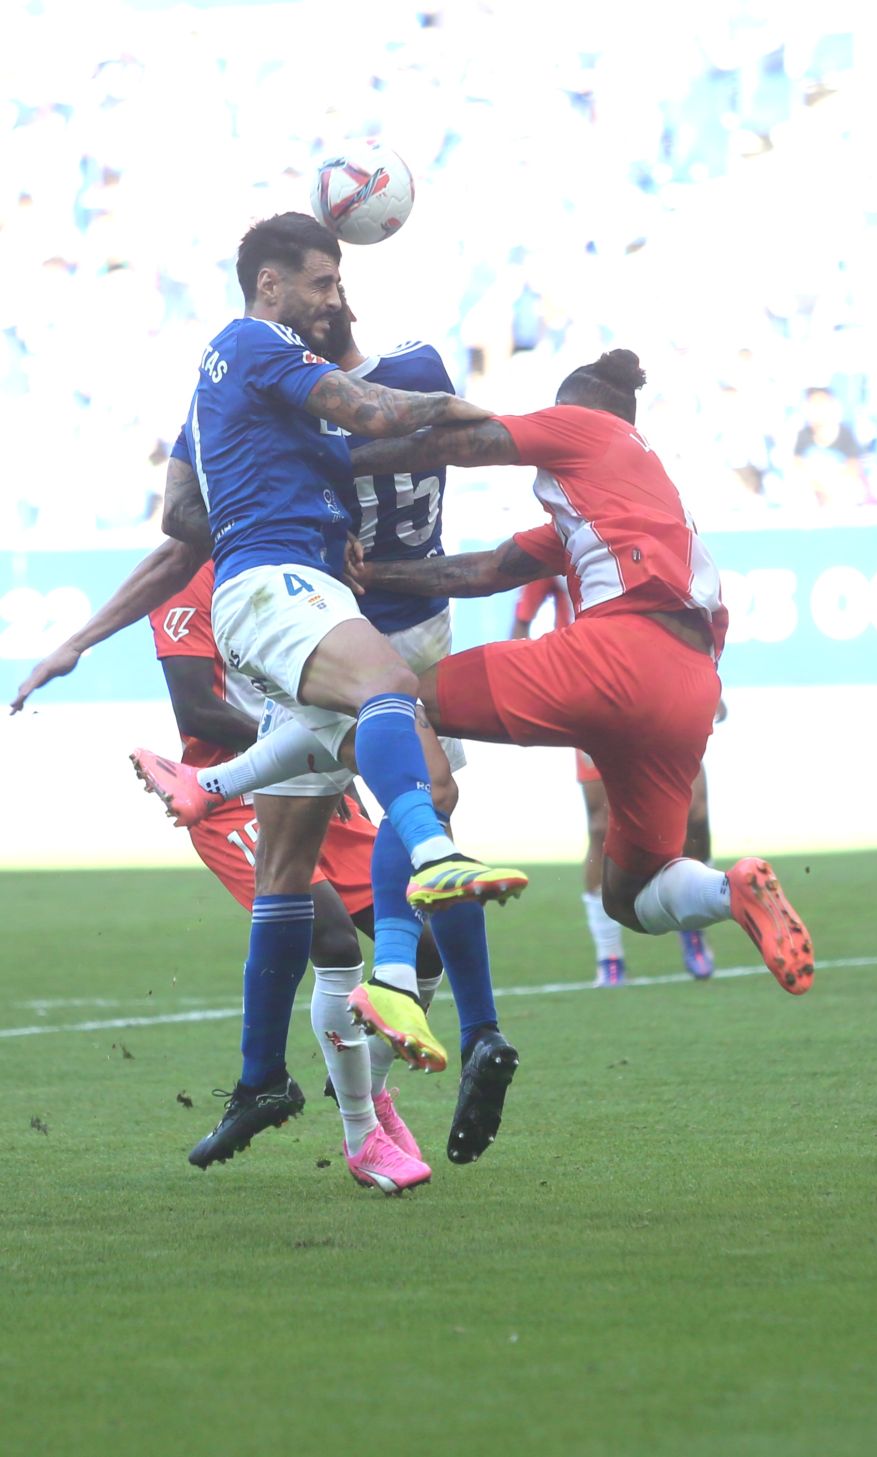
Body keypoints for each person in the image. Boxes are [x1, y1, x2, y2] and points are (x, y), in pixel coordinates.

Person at [127, 213, 524, 1192]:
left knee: (315, 843)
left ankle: (294, 1080)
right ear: (271, 287)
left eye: (338, 282)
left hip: (310, 608)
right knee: (402, 741)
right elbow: (377, 415)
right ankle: (421, 913)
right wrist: (494, 423)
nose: (332, 295)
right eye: (319, 280)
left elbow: (190, 504)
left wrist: (306, 482)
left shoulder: (244, 393)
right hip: (303, 613)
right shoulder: (259, 357)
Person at [320, 349, 815, 993]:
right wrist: (372, 576)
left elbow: (465, 443)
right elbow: (486, 571)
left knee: (396, 697)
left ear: (576, 408)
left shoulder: (591, 426)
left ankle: (419, 861)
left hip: (617, 656)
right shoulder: (632, 502)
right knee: (630, 897)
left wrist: (333, 464)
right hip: (689, 689)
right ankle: (730, 891)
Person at [148, 559, 450, 1156]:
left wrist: (338, 768)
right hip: (235, 795)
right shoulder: (193, 581)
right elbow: (196, 712)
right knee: (333, 939)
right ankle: (353, 1129)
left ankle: (366, 1087)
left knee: (423, 947)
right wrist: (316, 756)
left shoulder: (307, 561)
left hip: (322, 774)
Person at [511, 576, 719, 984]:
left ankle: (694, 925)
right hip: (591, 693)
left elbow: (693, 610)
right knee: (601, 826)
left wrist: (706, 672)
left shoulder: (652, 537)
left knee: (694, 814)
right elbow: (520, 623)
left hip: (664, 684)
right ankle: (609, 956)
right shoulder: (556, 544)